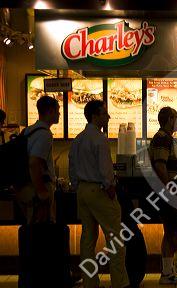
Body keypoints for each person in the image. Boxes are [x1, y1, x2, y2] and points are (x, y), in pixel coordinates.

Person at [69, 100, 130, 288]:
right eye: (104, 113)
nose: (108, 117)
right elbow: (105, 170)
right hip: (99, 191)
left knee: (88, 239)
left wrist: (77, 185)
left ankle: (90, 282)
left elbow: (72, 167)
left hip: (82, 191)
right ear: (95, 116)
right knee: (116, 239)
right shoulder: (100, 138)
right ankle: (120, 283)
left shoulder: (78, 138)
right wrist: (111, 188)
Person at [148, 107, 177, 285]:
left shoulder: (167, 138)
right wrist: (170, 189)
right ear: (169, 119)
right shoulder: (162, 138)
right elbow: (160, 166)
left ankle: (168, 273)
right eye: (176, 118)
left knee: (170, 232)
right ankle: (173, 270)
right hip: (169, 194)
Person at [16, 96, 59, 224]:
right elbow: (34, 163)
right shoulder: (44, 134)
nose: (59, 114)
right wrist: (41, 191)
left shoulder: (28, 130)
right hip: (37, 189)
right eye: (57, 111)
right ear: (50, 111)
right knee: (41, 232)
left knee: (33, 230)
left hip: (25, 187)